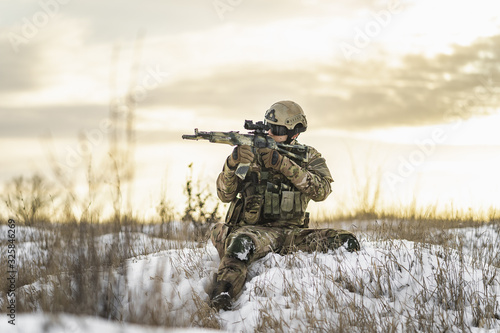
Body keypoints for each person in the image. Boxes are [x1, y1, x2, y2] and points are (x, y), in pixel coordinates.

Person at [209, 100, 360, 311]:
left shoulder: (308, 156)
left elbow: (322, 190)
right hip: (255, 232)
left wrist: (283, 164)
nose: (269, 132)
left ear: (294, 133)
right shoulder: (250, 154)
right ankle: (223, 294)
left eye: (276, 129)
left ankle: (354, 292)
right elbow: (224, 195)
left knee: (346, 241)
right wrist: (231, 164)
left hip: (292, 234)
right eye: (267, 125)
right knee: (240, 244)